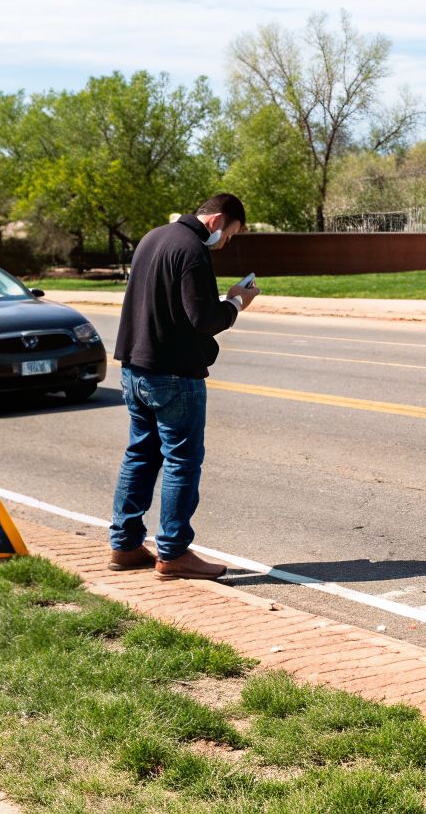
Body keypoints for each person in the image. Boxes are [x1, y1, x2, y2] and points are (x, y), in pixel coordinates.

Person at [107, 193, 259, 580]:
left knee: (140, 454)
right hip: (173, 373)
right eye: (230, 234)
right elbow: (202, 319)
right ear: (218, 220)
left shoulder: (153, 237)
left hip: (135, 366)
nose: (226, 243)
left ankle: (124, 545)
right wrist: (236, 302)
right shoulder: (192, 250)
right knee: (181, 461)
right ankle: (173, 553)